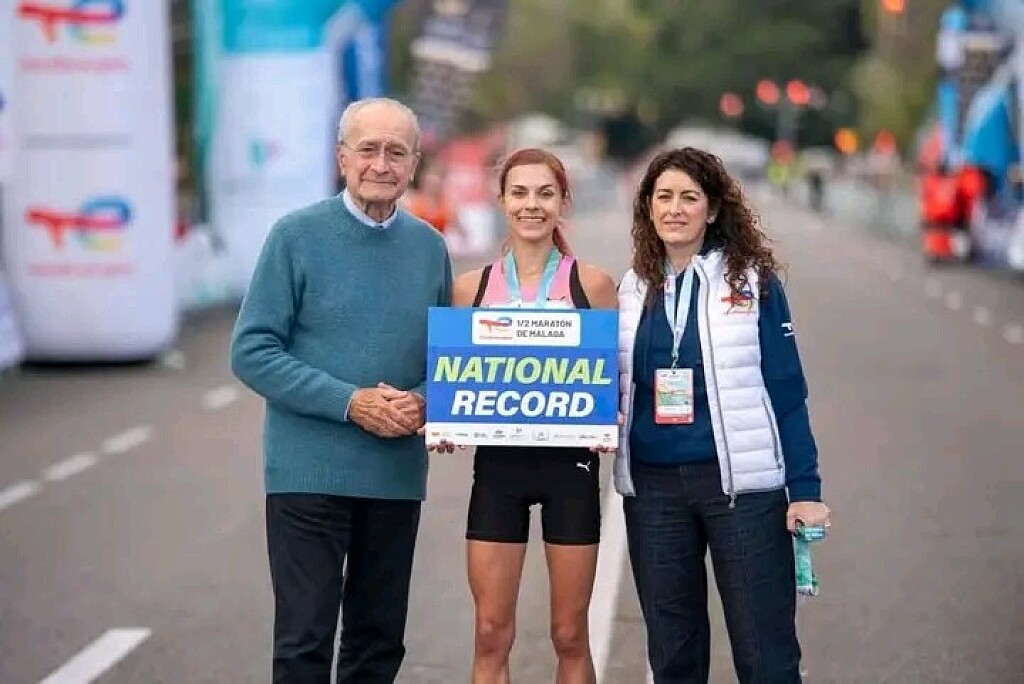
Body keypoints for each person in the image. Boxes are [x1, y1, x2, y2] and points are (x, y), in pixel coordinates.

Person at [229, 97, 452, 684]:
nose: (381, 164)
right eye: (368, 149)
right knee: (304, 642)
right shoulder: (295, 236)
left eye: (396, 152)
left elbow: (449, 361)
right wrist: (349, 403)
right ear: (342, 158)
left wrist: (424, 399)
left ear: (414, 163)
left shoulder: (429, 248)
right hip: (308, 476)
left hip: (394, 477)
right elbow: (251, 350)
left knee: (378, 643)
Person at [614, 147, 831, 683]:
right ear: (648, 207)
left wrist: (805, 488)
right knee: (673, 658)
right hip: (654, 493)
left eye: (689, 198)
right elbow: (610, 386)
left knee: (765, 656)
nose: (675, 209)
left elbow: (787, 390)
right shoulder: (631, 288)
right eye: (664, 197)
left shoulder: (753, 283)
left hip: (742, 491)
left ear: (712, 209)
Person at [439, 147, 617, 684]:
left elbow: (616, 378)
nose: (531, 205)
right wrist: (446, 420)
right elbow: (455, 376)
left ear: (563, 202)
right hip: (499, 471)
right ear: (501, 201)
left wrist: (611, 416)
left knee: (569, 634)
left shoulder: (593, 285)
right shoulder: (471, 289)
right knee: (491, 631)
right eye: (519, 193)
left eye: (545, 193)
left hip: (571, 471)